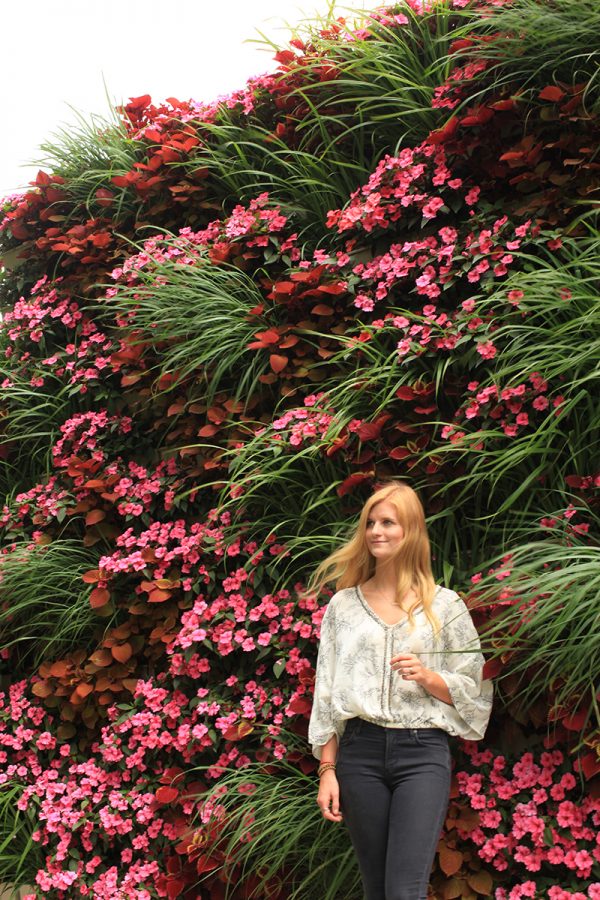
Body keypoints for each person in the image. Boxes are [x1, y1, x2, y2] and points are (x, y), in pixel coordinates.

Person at [307, 481, 493, 900]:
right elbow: (327, 692)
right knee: (377, 890)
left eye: (388, 522)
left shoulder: (444, 605)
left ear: (410, 531)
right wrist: (327, 770)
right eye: (370, 522)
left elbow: (476, 690)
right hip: (360, 754)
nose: (376, 531)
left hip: (421, 754)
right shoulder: (343, 606)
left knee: (404, 890)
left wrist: (428, 677)